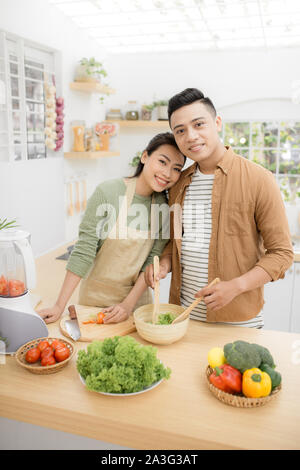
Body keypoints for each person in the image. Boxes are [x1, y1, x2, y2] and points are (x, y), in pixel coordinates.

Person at [145, 88, 294, 328]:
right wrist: (163, 265)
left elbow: (282, 254)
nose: (191, 136)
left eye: (199, 124)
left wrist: (236, 286)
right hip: (184, 318)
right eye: (180, 131)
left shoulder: (259, 179)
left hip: (239, 322)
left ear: (217, 123)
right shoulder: (177, 184)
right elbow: (177, 243)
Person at [38, 132, 185, 324]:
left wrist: (127, 306)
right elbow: (84, 251)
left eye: (176, 168)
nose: (167, 173)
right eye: (162, 162)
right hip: (93, 301)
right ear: (145, 156)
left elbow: (151, 262)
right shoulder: (107, 192)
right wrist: (59, 306)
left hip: (136, 307)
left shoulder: (164, 209)